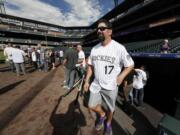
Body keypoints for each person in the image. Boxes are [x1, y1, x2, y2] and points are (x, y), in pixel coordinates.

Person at [83, 19, 134, 135]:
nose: (99, 31)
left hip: (111, 86)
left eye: (102, 28)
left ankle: (108, 124)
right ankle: (101, 115)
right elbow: (90, 66)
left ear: (110, 31)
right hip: (96, 84)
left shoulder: (119, 48)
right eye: (97, 29)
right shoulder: (94, 49)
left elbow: (130, 64)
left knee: (111, 109)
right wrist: (86, 81)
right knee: (91, 105)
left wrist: (121, 76)